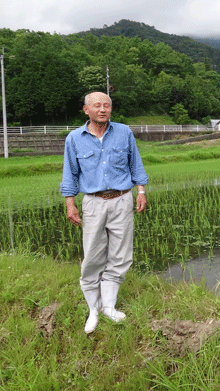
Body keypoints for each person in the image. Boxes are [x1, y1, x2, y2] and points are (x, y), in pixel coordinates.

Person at [60, 92, 148, 334]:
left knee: (121, 255)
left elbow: (135, 163)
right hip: (93, 202)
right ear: (86, 110)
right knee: (92, 256)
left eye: (107, 105)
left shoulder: (123, 132)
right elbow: (70, 174)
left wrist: (141, 191)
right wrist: (70, 203)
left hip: (122, 199)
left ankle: (109, 306)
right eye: (97, 105)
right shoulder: (74, 138)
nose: (102, 109)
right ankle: (93, 309)